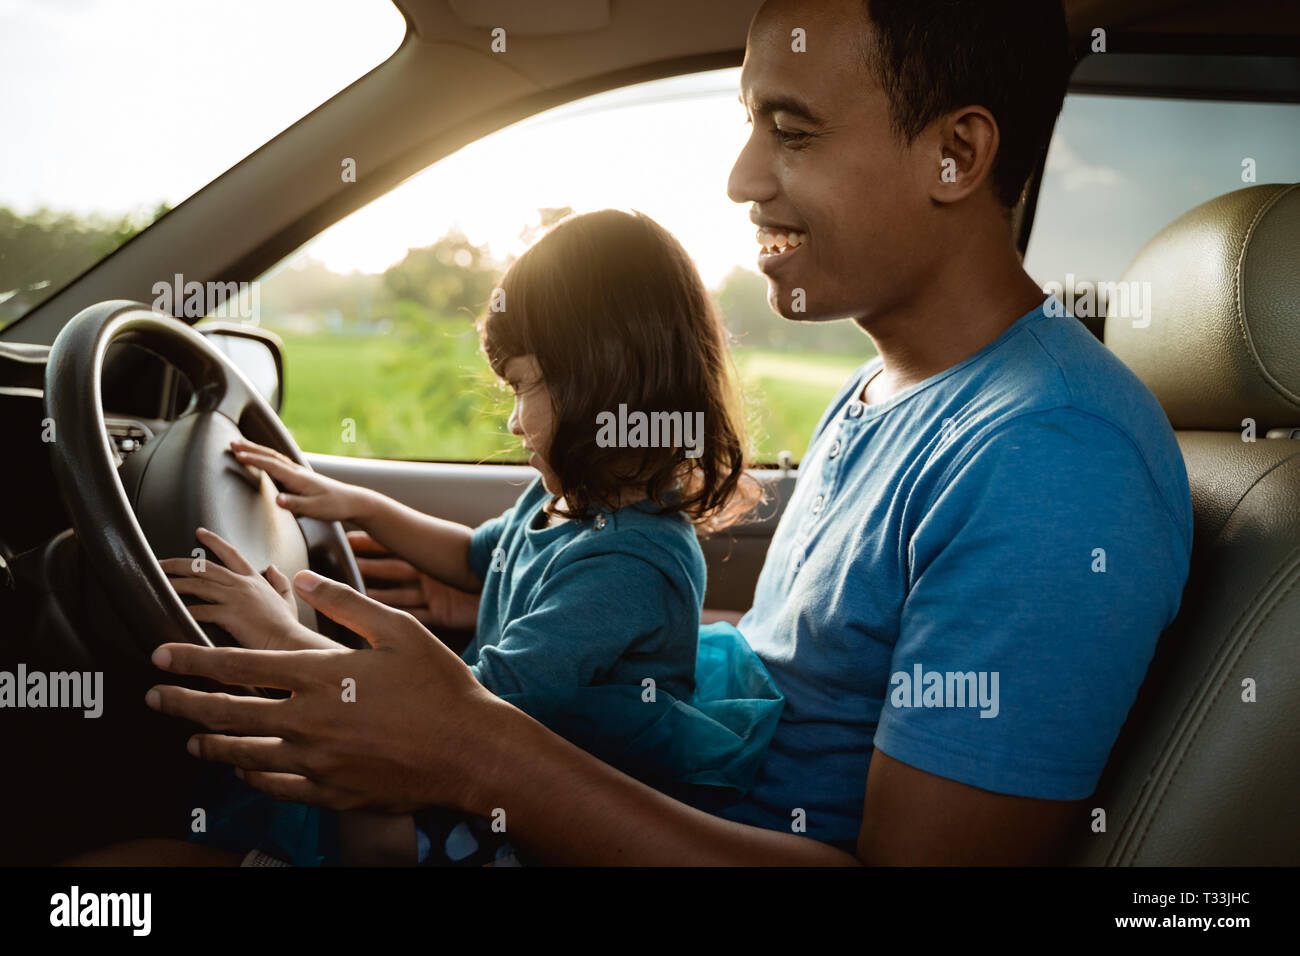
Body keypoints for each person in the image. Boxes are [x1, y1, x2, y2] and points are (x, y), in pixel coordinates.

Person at [144, 0, 1192, 865]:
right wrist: (547, 617)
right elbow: (803, 669)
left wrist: (470, 746)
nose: (740, 178)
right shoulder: (889, 390)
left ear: (955, 153)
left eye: (791, 131)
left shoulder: (1053, 455)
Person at [159, 210, 778, 866]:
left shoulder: (626, 565)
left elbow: (469, 713)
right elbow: (470, 556)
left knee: (361, 818)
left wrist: (280, 631)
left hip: (538, 813)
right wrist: (360, 505)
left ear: (598, 380)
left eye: (521, 385)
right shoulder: (567, 501)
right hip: (487, 745)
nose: (513, 422)